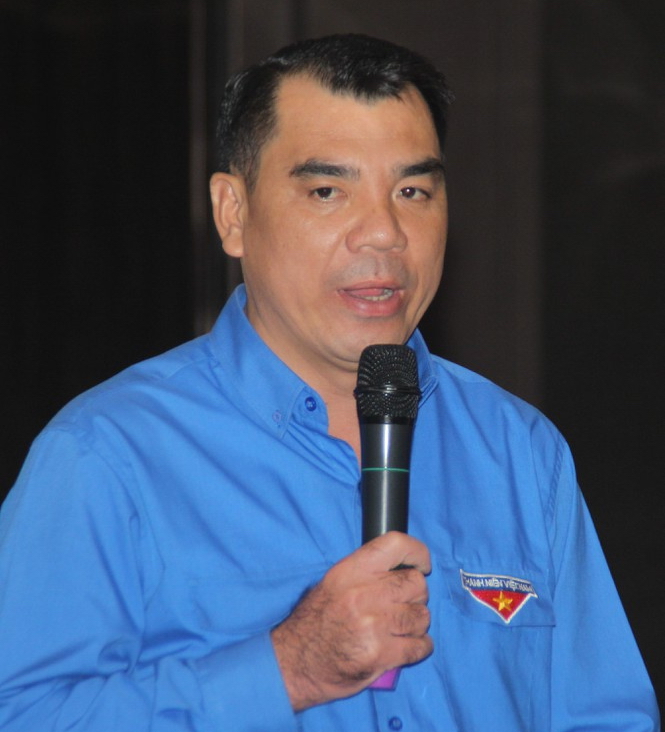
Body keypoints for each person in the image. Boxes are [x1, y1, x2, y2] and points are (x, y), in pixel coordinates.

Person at [0, 33, 658, 732]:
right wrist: (287, 668)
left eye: (411, 190)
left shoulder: (518, 450)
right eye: (327, 191)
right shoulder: (108, 454)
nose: (383, 233)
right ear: (232, 213)